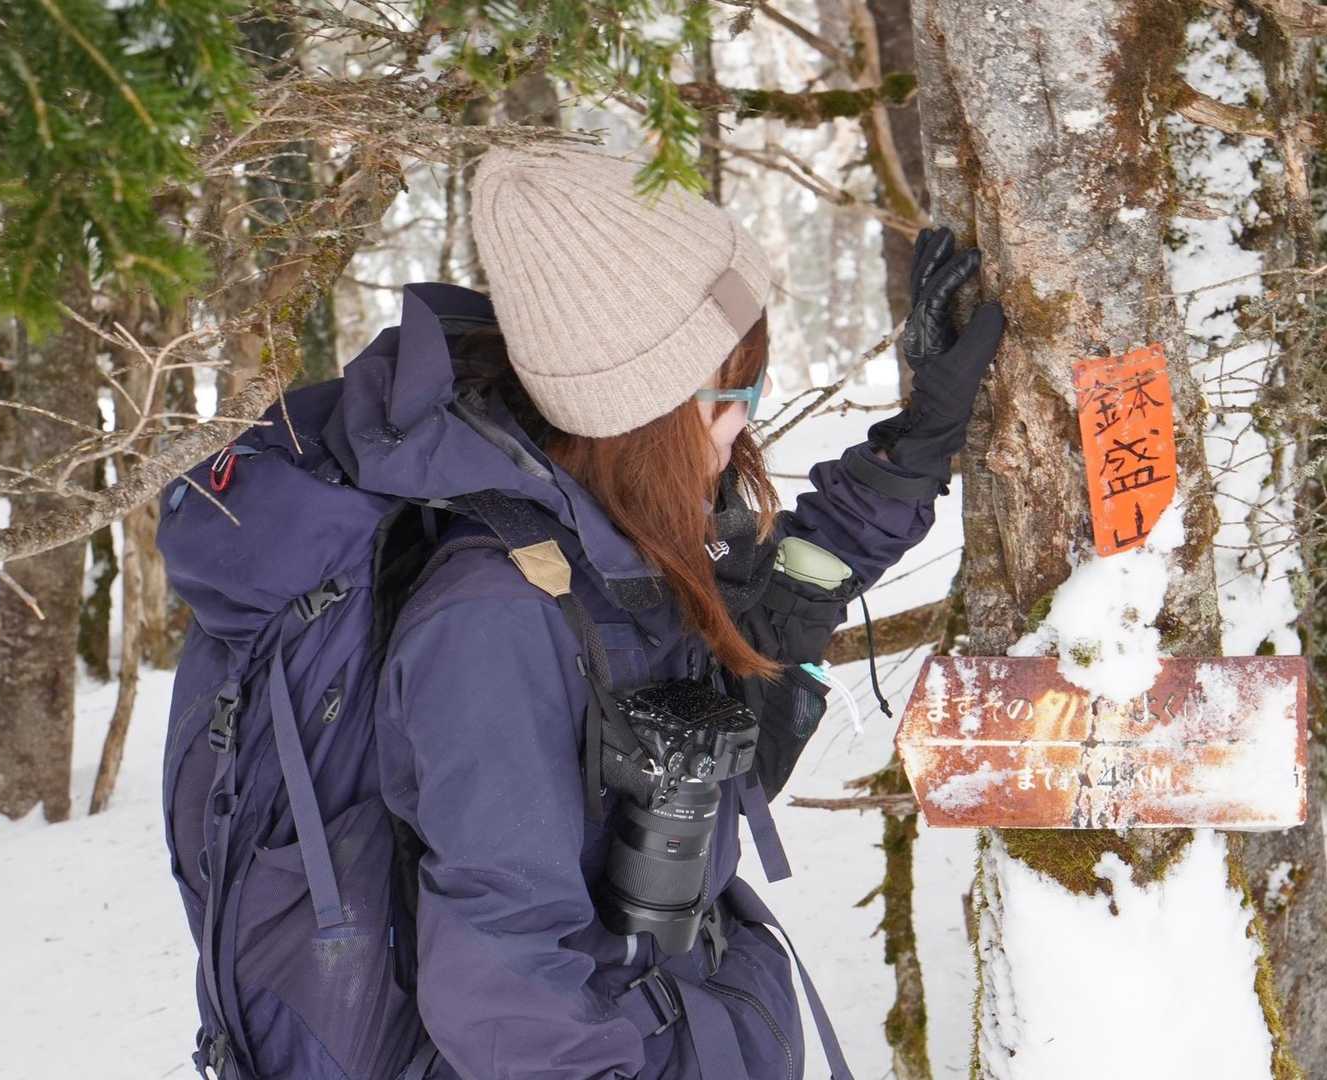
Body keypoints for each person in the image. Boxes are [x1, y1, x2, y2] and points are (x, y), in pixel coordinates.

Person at [353, 144, 1006, 1079]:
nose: (747, 422)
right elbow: (510, 1001)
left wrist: (919, 442)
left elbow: (779, 601)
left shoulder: (617, 534)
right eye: (737, 395)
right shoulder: (494, 623)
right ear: (648, 411)